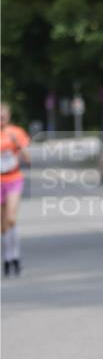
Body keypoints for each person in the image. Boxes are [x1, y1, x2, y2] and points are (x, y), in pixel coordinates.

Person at [1, 102, 31, 277]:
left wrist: (18, 145)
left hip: (13, 178)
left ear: (8, 116)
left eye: (2, 115)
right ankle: (7, 257)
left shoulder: (16, 132)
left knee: (11, 218)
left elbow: (28, 158)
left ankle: (15, 257)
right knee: (2, 225)